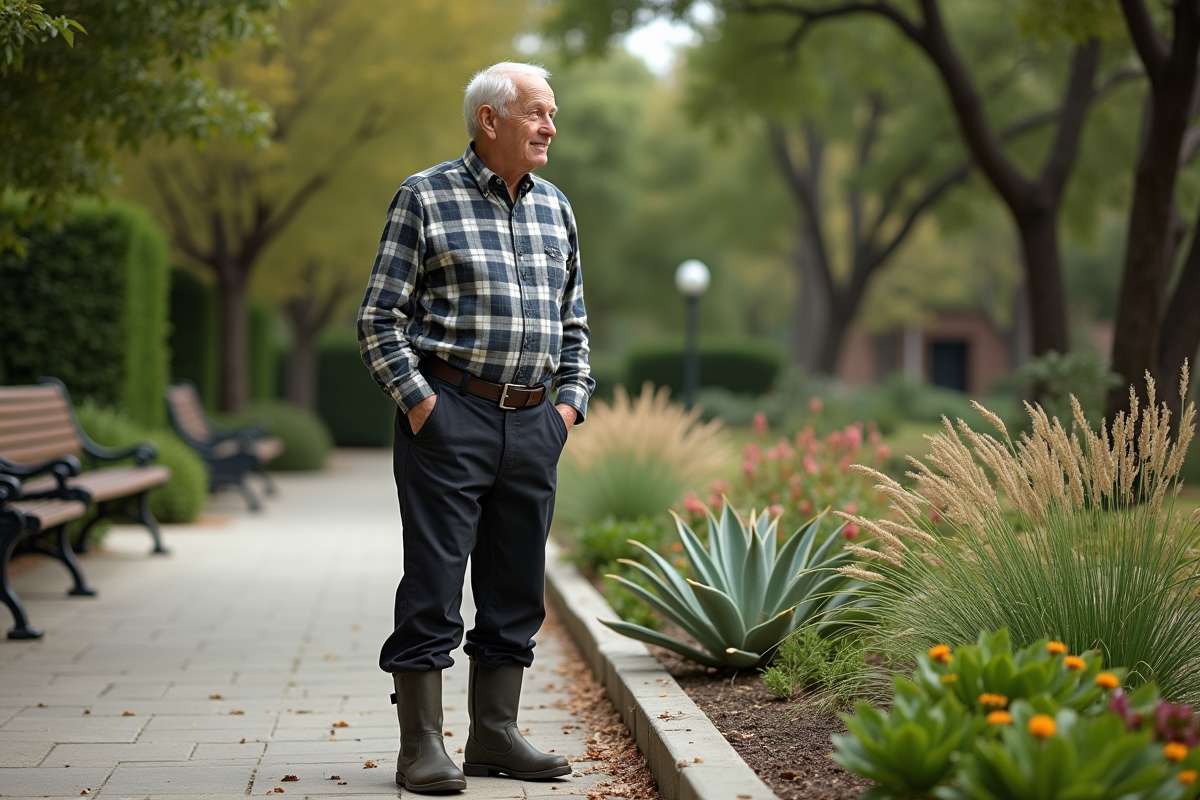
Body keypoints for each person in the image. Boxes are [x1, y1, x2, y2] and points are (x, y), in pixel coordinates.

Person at [357, 61, 593, 793]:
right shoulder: (423, 197)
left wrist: (566, 407)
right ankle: (420, 747)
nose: (551, 127)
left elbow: (575, 327)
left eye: (552, 115)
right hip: (449, 417)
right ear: (489, 120)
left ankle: (494, 735)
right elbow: (379, 319)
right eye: (538, 113)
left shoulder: (557, 208)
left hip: (533, 423)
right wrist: (423, 405)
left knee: (517, 584)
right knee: (434, 582)